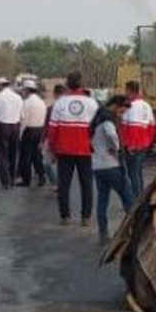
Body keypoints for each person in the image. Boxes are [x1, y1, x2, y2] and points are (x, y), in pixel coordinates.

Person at [46, 71, 99, 225]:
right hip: (85, 150)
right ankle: (86, 217)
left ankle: (65, 216)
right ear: (82, 84)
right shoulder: (92, 103)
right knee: (87, 184)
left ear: (67, 84)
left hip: (63, 150)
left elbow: (52, 129)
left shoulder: (60, 103)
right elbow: (98, 128)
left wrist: (52, 148)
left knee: (64, 184)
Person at [91, 95, 135, 240]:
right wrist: (117, 149)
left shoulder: (97, 119)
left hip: (98, 166)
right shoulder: (107, 119)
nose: (122, 114)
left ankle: (103, 231)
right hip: (112, 166)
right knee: (127, 197)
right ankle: (133, 228)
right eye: (121, 111)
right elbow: (111, 134)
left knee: (102, 199)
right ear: (115, 106)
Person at [119, 80, 156, 200]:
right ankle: (141, 196)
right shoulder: (146, 106)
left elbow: (128, 128)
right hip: (143, 146)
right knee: (139, 173)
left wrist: (129, 145)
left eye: (126, 91)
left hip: (133, 147)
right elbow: (152, 126)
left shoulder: (130, 107)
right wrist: (148, 143)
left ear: (129, 91)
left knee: (133, 174)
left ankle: (136, 200)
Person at [0, 77, 24, 189]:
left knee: (3, 155)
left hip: (3, 126)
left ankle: (5, 181)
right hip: (15, 126)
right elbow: (22, 115)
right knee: (13, 154)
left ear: (0, 86)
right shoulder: (18, 97)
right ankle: (12, 179)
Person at [17, 79, 48, 186]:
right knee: (37, 155)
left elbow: (24, 120)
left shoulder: (26, 102)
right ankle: (41, 175)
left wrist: (20, 134)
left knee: (26, 156)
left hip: (29, 130)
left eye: (23, 90)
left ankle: (26, 180)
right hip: (40, 130)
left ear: (27, 90)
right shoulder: (41, 102)